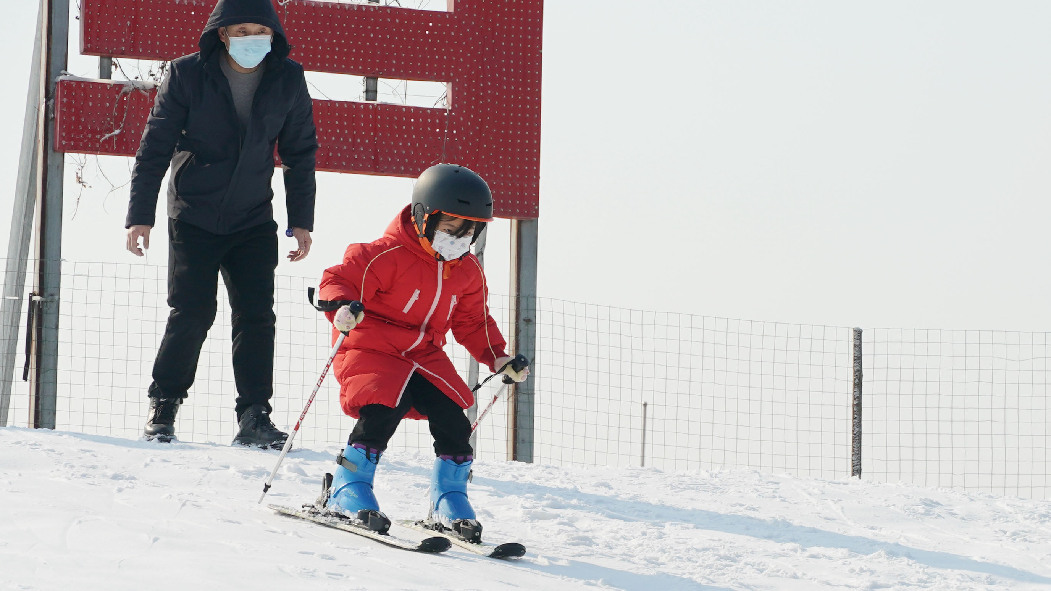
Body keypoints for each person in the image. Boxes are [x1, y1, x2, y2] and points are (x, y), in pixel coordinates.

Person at [124, 0, 318, 448]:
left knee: (256, 317)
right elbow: (154, 147)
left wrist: (301, 220)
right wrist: (140, 216)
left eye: (261, 30)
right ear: (222, 33)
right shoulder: (187, 74)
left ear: (273, 34)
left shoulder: (288, 78)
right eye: (242, 30)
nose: (253, 38)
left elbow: (300, 152)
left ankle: (255, 416)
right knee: (192, 312)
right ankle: (164, 404)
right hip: (193, 213)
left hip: (253, 218)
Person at [316, 163, 529, 541]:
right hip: (372, 345)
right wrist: (341, 305)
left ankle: (448, 498)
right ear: (422, 217)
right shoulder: (385, 254)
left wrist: (497, 356)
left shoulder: (466, 271)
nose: (459, 238)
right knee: (382, 407)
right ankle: (347, 489)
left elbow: (472, 322)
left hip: (424, 354)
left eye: (469, 231)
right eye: (450, 227)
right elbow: (340, 278)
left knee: (454, 417)